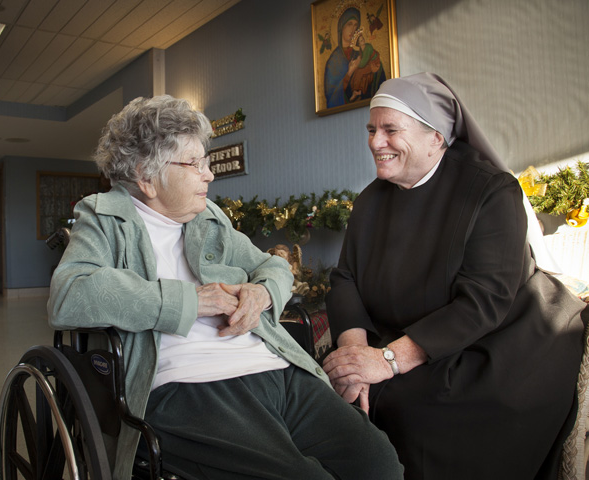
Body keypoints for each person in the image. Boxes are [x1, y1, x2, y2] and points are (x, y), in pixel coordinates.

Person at [48, 95, 403, 480]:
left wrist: (263, 292)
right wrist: (189, 301)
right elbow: (70, 292)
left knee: (379, 464)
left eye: (207, 161)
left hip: (274, 368)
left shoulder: (208, 217)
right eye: (194, 163)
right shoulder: (103, 217)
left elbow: (274, 266)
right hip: (186, 386)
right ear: (146, 176)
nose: (209, 174)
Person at [323, 72, 587, 479]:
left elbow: (484, 300)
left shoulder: (491, 191)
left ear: (437, 138)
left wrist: (389, 360)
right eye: (372, 130)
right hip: (402, 335)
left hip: (499, 339)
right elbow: (345, 279)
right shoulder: (370, 200)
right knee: (340, 392)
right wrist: (356, 350)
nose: (376, 142)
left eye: (391, 130)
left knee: (411, 410)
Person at [323, 7, 385, 108]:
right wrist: (349, 73)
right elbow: (331, 98)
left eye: (356, 25)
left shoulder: (360, 53)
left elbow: (378, 75)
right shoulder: (334, 60)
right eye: (349, 24)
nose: (353, 29)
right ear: (341, 27)